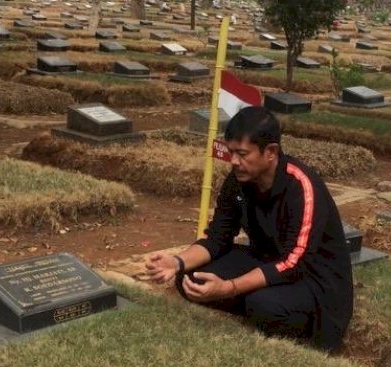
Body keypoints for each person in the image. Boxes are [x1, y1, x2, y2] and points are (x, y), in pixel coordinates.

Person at [145, 107, 353, 352]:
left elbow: (294, 263)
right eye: (231, 152)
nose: (234, 161)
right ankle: (248, 298)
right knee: (191, 278)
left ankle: (264, 306)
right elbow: (217, 237)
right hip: (265, 260)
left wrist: (229, 287)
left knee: (263, 305)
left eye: (242, 154)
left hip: (314, 280)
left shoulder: (302, 187)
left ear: (270, 152)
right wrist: (176, 262)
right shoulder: (237, 182)